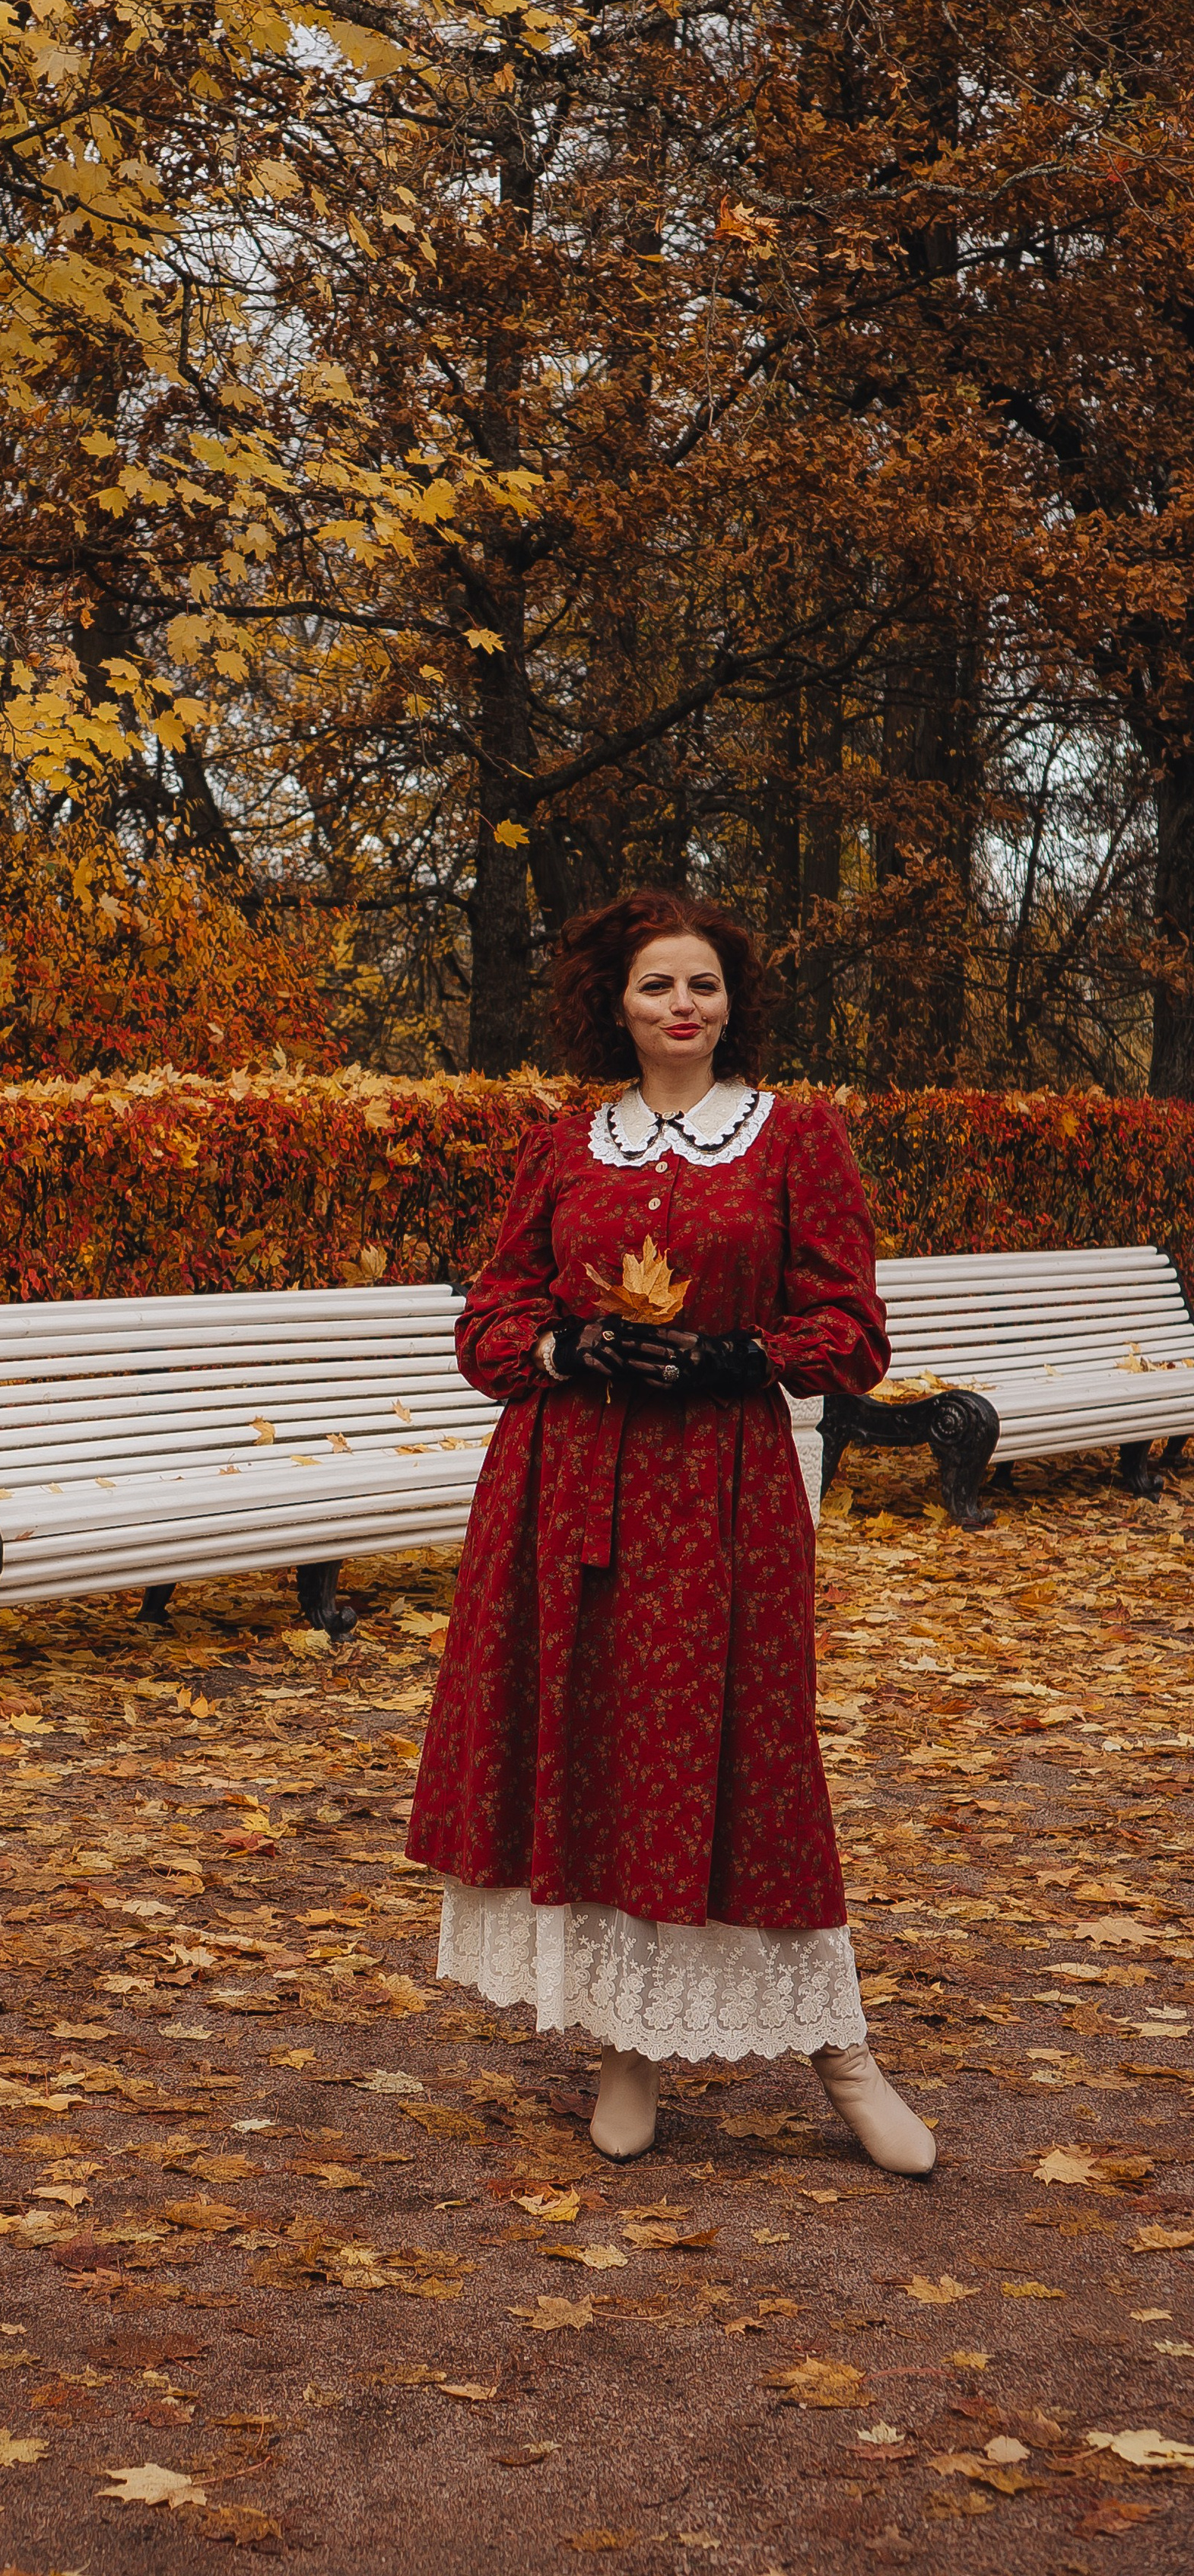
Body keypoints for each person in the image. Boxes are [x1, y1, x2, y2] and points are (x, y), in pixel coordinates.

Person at [405, 890, 934, 2174]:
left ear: (732, 1001)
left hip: (725, 1488)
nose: (682, 1007)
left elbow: (855, 1331)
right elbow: (486, 1325)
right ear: (620, 1003)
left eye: (702, 985)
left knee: (752, 1758)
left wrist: (740, 1357)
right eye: (657, 987)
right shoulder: (565, 1146)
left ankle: (844, 2055)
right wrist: (563, 1342)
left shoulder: (795, 1139)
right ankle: (625, 2050)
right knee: (598, 1750)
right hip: (569, 1481)